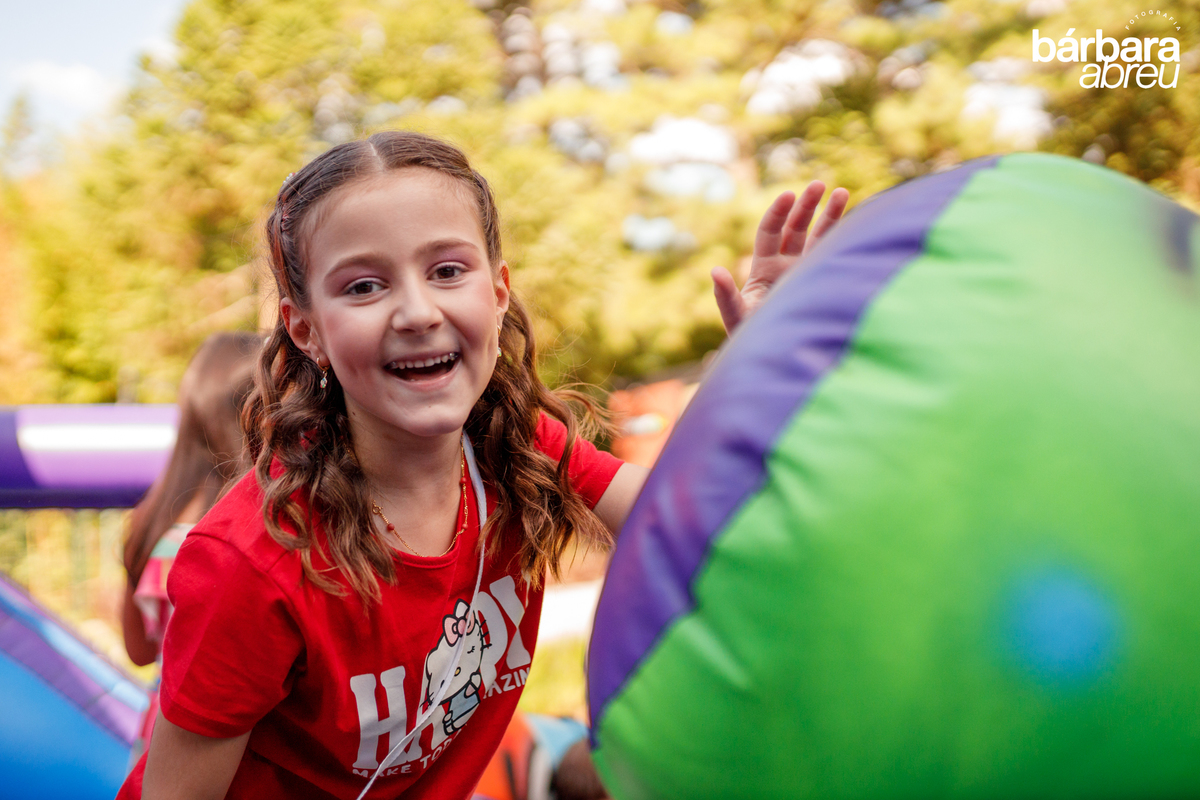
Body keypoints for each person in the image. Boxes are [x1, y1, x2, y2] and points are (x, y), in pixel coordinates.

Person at [119, 130, 846, 800]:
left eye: (446, 270)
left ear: (497, 292)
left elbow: (706, 537)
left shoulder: (517, 446)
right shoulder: (252, 561)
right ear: (305, 329)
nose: (416, 311)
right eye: (363, 286)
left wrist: (764, 374)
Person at [120, 331, 262, 761]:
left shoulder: (153, 522)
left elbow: (139, 650)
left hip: (162, 734)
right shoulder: (255, 530)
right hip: (236, 740)